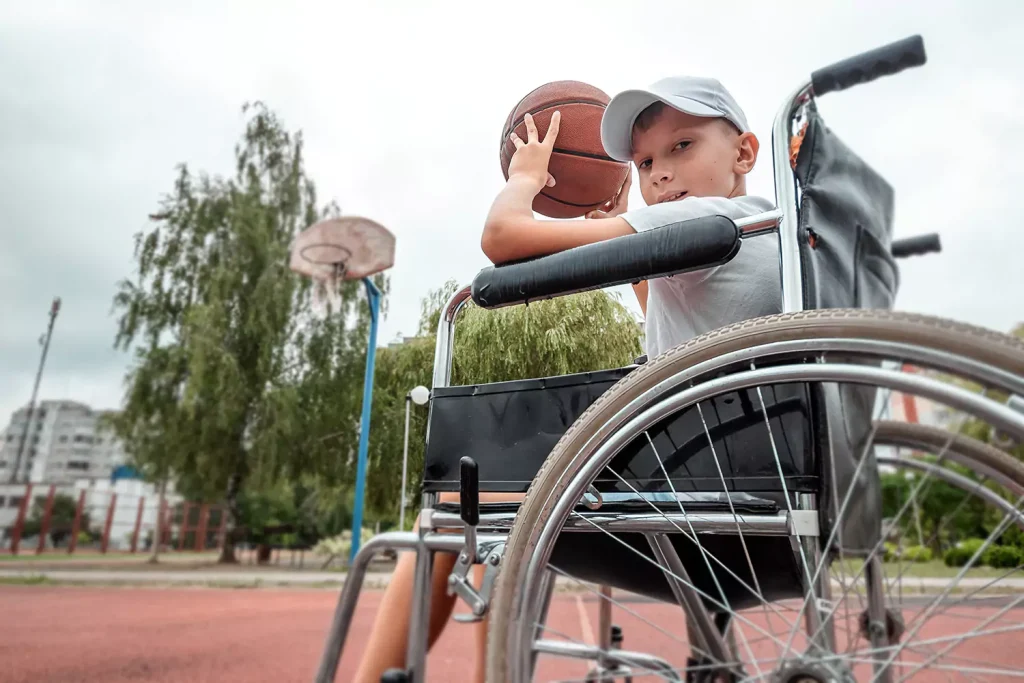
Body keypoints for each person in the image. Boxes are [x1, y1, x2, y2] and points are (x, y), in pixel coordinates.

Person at [353, 76, 781, 683]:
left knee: (464, 511)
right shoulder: (763, 225)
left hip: (695, 502)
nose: (658, 173)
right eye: (645, 161)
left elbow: (502, 240)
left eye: (681, 146)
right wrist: (626, 239)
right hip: (750, 486)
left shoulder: (700, 216)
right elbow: (675, 325)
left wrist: (525, 180)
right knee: (508, 503)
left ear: (742, 152)